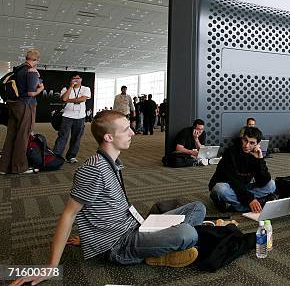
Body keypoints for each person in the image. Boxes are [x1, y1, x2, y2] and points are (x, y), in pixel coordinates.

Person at [10, 111, 206, 284]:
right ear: (108, 137)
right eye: (126, 130)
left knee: (198, 208)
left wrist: (88, 237)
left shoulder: (113, 162)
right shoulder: (94, 170)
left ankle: (159, 248)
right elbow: (69, 214)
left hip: (132, 225)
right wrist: (51, 266)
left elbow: (100, 206)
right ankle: (157, 254)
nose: (132, 133)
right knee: (188, 233)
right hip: (118, 244)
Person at [209, 126, 276, 212]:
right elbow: (233, 180)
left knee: (271, 185)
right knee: (220, 189)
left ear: (257, 144)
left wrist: (259, 160)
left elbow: (263, 181)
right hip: (227, 185)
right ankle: (248, 206)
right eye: (245, 140)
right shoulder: (230, 152)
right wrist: (250, 199)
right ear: (242, 139)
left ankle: (234, 205)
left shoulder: (255, 154)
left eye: (251, 143)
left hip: (243, 187)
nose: (247, 145)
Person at [0, 49, 44, 175]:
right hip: (25, 106)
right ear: (36, 60)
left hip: (13, 105)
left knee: (11, 135)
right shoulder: (31, 71)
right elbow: (31, 93)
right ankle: (19, 167)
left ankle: (4, 166)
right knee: (22, 137)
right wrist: (40, 89)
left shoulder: (18, 69)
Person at [52, 73, 91, 164]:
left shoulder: (86, 89)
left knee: (76, 137)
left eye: (78, 78)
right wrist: (71, 87)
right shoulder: (65, 89)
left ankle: (71, 156)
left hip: (80, 117)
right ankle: (56, 155)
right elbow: (64, 98)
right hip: (67, 116)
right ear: (71, 80)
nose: (76, 80)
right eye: (74, 78)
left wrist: (69, 100)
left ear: (81, 79)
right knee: (62, 136)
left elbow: (82, 99)